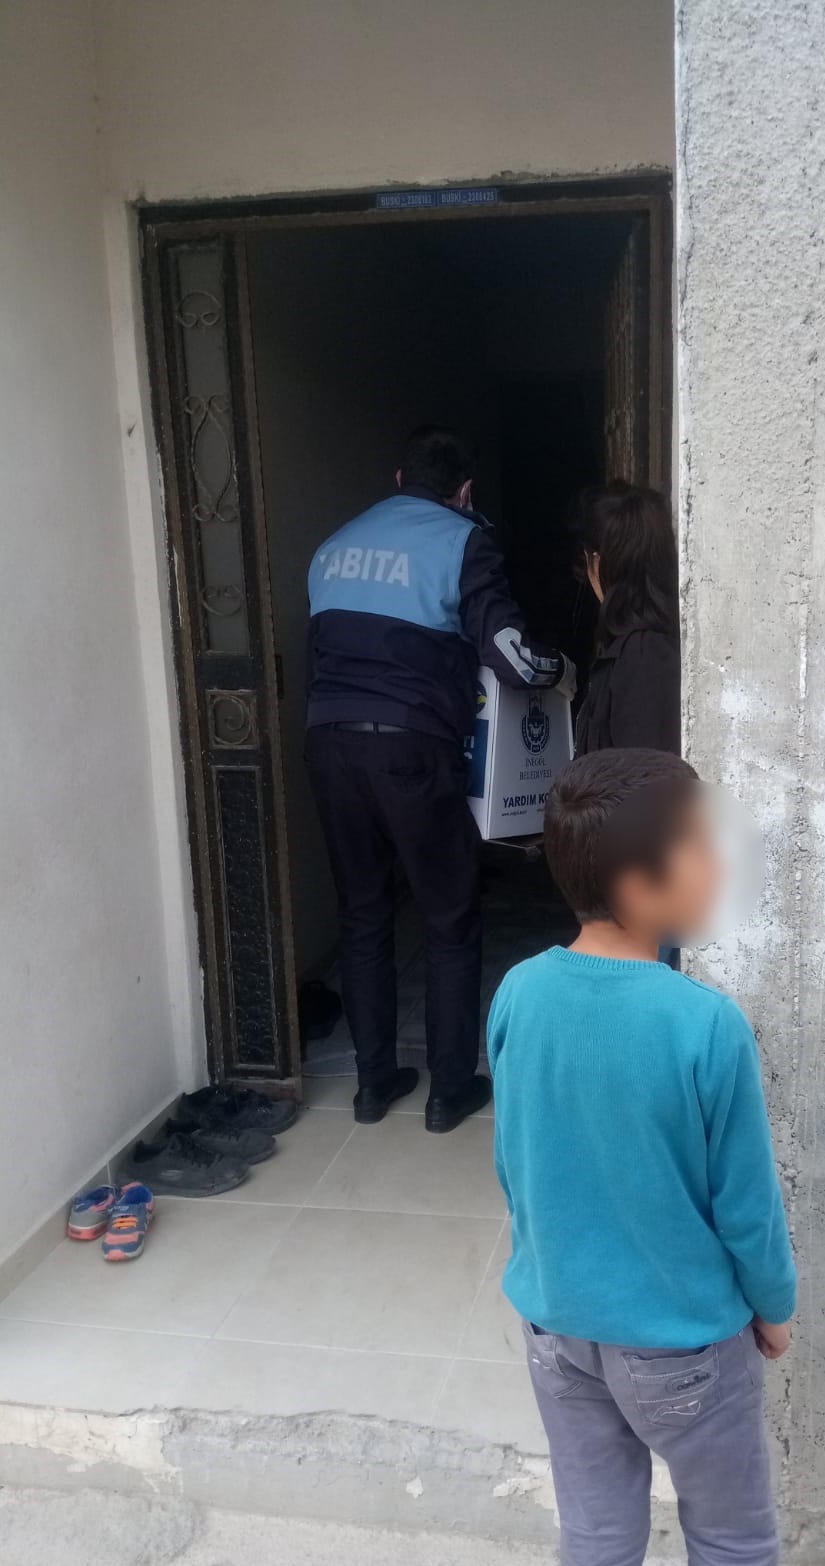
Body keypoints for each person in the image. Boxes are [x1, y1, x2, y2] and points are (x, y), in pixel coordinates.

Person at [488, 748, 796, 1566]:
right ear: (637, 883)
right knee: (732, 1541)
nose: (718, 864)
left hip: (559, 1329)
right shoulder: (706, 1025)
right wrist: (774, 1308)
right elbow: (747, 1207)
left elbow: (515, 1162)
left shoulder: (518, 993)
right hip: (682, 1344)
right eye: (699, 845)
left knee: (596, 1537)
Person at [305, 425, 575, 1132]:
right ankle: (449, 1090)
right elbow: (512, 657)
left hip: (328, 744)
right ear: (465, 491)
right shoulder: (464, 540)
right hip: (411, 747)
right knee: (449, 916)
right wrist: (562, 671)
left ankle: (373, 1086)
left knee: (362, 912)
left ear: (399, 480)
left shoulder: (333, 545)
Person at [575, 482, 680, 757]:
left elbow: (646, 777)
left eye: (589, 557)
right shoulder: (635, 650)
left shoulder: (643, 658)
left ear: (600, 562)